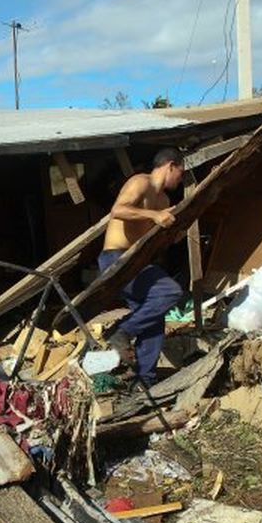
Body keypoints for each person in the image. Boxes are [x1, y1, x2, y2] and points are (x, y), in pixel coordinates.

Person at [98, 148, 185, 386]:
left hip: (137, 261)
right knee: (171, 291)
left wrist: (173, 235)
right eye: (181, 172)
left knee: (154, 321)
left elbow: (150, 236)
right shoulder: (140, 182)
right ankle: (121, 330)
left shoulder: (165, 201)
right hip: (116, 259)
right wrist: (155, 215)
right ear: (170, 166)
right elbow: (118, 210)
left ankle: (144, 381)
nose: (181, 178)